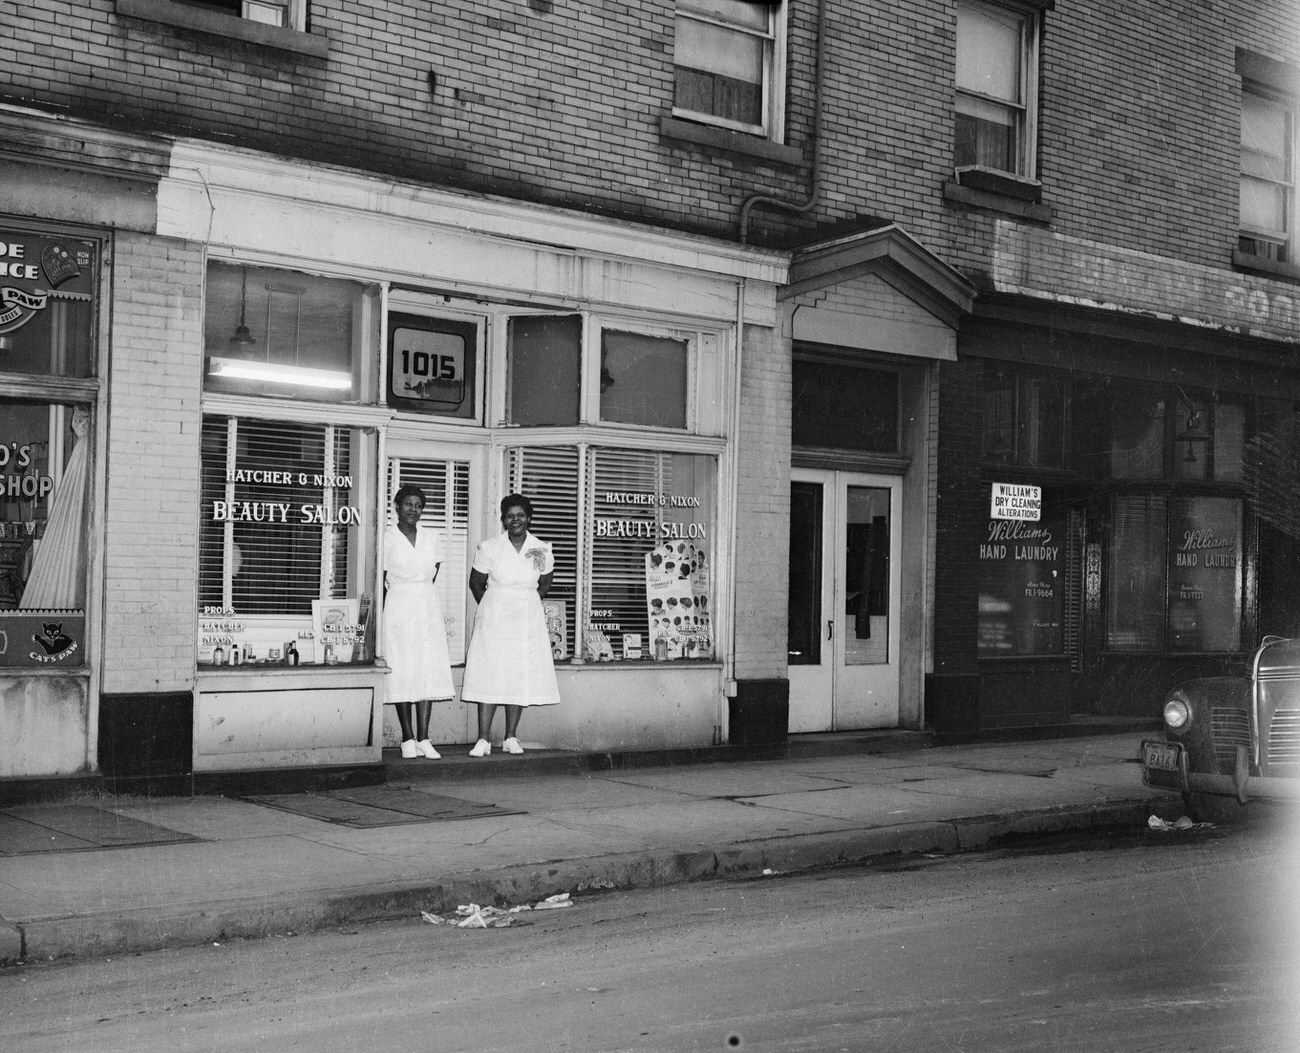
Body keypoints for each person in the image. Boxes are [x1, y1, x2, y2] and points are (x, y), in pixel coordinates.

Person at [461, 493, 560, 756]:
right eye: (510, 516)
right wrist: (495, 606)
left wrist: (524, 604)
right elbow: (476, 583)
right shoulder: (489, 547)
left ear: (529, 518)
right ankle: (483, 739)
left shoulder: (541, 548)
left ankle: (511, 737)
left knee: (518, 673)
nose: (515, 520)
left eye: (520, 515)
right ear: (503, 520)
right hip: (494, 619)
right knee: (490, 673)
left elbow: (545, 583)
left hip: (526, 620)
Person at [382, 484, 455, 759]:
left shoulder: (431, 537)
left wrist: (419, 596)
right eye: (408, 504)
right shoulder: (387, 538)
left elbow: (433, 573)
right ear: (397, 507)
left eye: (418, 505)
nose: (413, 509)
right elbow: (381, 579)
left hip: (426, 606)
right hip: (398, 606)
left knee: (427, 667)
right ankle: (407, 738)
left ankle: (424, 738)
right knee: (403, 669)